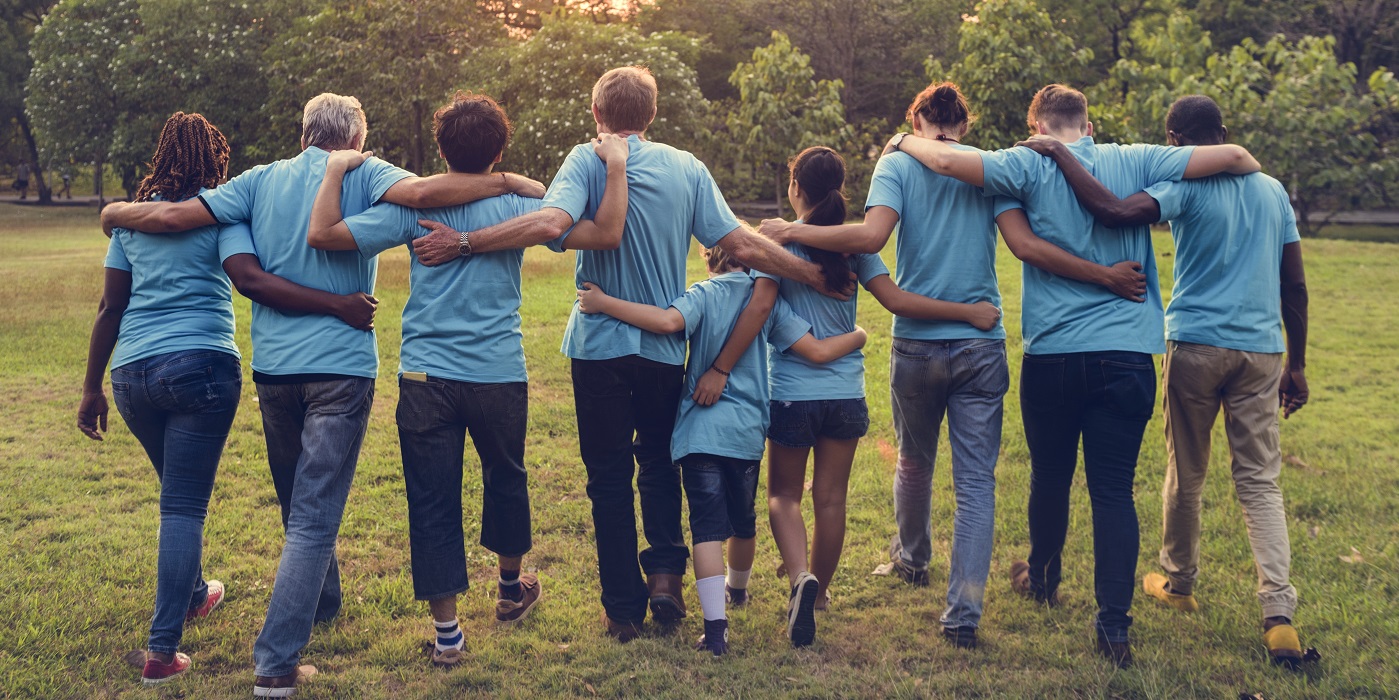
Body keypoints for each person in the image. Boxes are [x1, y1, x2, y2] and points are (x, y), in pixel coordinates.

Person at [100, 93, 543, 697]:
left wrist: (115, 213)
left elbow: (176, 221)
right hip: (341, 365)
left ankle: (324, 600)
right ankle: (276, 665)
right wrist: (509, 180)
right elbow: (426, 196)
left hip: (275, 370)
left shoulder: (257, 181)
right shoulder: (367, 171)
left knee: (295, 503)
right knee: (313, 517)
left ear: (304, 132)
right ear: (355, 139)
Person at [407, 66, 842, 642]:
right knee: (660, 464)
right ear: (653, 116)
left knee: (608, 478)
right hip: (663, 346)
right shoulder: (686, 167)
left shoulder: (587, 160)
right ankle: (664, 576)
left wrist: (464, 241)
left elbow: (548, 223)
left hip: (598, 345)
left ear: (597, 115)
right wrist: (810, 273)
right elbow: (737, 243)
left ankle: (622, 609)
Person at [759, 85, 1152, 650]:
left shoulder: (896, 165)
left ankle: (912, 559)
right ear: (964, 127)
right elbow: (1021, 243)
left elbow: (870, 237)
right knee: (975, 485)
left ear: (914, 119)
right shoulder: (985, 169)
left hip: (917, 345)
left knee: (914, 463)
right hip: (979, 344)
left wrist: (790, 231)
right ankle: (963, 613)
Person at [889, 83, 1262, 666]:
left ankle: (1042, 577)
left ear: (1037, 127)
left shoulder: (1024, 164)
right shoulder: (1136, 158)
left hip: (1055, 354)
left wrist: (901, 139)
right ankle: (1113, 626)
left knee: (1050, 476)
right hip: (1128, 355)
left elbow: (944, 160)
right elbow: (1238, 157)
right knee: (1113, 490)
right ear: (1088, 126)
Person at [304, 92, 632, 667]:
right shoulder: (518, 207)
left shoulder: (414, 208)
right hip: (498, 371)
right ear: (499, 147)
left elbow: (327, 234)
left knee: (432, 498)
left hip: (425, 374)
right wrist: (536, 184)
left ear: (440, 148)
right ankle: (509, 590)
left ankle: (448, 635)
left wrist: (334, 175)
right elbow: (597, 229)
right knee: (507, 478)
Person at [76, 112, 379, 687]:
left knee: (176, 496)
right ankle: (161, 652)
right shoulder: (225, 209)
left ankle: (194, 592)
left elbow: (110, 307)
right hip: (201, 369)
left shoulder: (133, 223)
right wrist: (337, 303)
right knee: (183, 507)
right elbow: (248, 277)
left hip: (133, 375)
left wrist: (92, 386)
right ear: (214, 158)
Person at [1015, 94, 1312, 668]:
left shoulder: (1185, 188)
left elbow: (1116, 211)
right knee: (1260, 483)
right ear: (1222, 133)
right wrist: (1296, 364)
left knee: (1188, 469)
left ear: (1174, 141)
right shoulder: (1273, 191)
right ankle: (1278, 615)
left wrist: (1055, 151)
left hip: (1196, 343)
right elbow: (1294, 285)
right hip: (1262, 352)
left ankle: (1178, 583)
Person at [722, 145, 997, 648]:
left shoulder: (780, 245)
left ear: (795, 188)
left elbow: (760, 303)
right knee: (831, 500)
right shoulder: (855, 249)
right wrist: (969, 312)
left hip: (792, 395)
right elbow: (895, 300)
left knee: (783, 495)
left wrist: (721, 365)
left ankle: (800, 577)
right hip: (845, 395)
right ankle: (819, 593)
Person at [575, 246, 865, 656]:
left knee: (707, 530)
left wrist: (603, 302)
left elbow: (665, 321)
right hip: (746, 436)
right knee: (741, 524)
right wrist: (859, 335)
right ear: (753, 262)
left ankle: (715, 632)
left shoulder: (703, 294)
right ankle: (739, 590)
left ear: (710, 260)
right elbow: (816, 350)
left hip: (699, 434)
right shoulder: (767, 302)